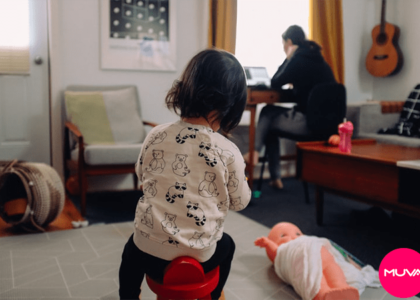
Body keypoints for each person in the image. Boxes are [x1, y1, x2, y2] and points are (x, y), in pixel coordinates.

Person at [119, 48, 252, 300]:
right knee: (228, 245)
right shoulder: (228, 151)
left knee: (131, 250)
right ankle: (212, 295)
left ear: (186, 88)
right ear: (233, 105)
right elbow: (240, 202)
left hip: (149, 255)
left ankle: (128, 296)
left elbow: (141, 174)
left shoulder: (156, 134)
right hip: (201, 258)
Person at [244, 25, 337, 189]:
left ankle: (255, 153)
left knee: (267, 111)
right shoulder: (318, 58)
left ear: (289, 42)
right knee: (270, 126)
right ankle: (275, 178)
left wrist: (288, 58)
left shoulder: (299, 58)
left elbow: (276, 81)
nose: (283, 48)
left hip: (308, 124)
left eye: (283, 45)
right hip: (326, 126)